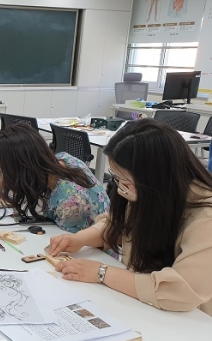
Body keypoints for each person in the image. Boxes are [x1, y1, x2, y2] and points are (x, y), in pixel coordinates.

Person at [48, 119, 212, 315]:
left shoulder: (205, 216)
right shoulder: (151, 192)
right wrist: (80, 239)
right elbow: (117, 223)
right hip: (146, 307)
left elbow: (181, 290)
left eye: (125, 181)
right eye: (116, 178)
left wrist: (101, 273)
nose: (121, 188)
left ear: (155, 178)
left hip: (194, 324)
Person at [0, 124, 109, 232]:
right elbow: (29, 178)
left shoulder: (70, 203)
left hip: (92, 251)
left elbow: (66, 244)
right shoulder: (63, 159)